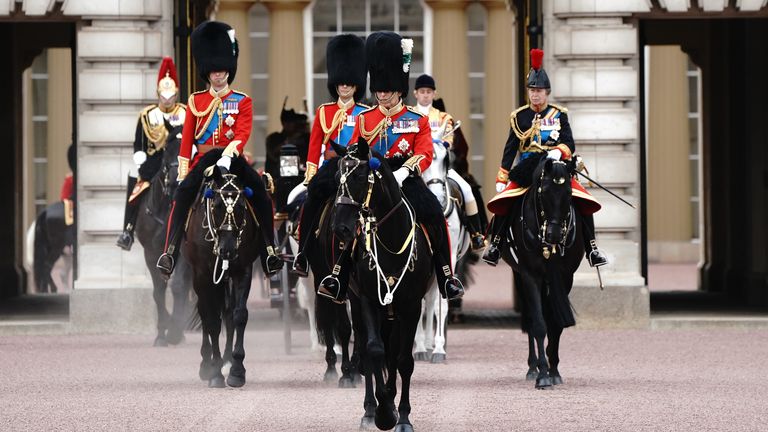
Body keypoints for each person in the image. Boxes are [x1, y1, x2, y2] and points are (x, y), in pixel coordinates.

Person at [303, 31, 465, 302]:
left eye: (386, 91)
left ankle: (446, 275)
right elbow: (356, 149)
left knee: (434, 214)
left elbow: (425, 152)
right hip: (371, 176)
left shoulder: (416, 119)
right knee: (348, 216)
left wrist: (405, 170)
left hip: (404, 176)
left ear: (399, 90)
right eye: (378, 90)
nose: (381, 95)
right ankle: (339, 275)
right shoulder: (366, 117)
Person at [155, 21, 282, 277]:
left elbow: (243, 132)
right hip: (203, 159)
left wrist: (227, 155)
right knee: (182, 197)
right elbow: (188, 139)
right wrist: (183, 170)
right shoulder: (195, 101)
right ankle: (169, 252)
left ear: (229, 70)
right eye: (213, 71)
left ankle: (270, 250)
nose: (218, 74)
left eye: (222, 70)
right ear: (207, 72)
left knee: (260, 194)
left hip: (232, 158)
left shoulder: (242, 100)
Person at [482, 49, 607, 267]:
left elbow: (569, 142)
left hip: (556, 165)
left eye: (539, 90)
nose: (535, 95)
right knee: (505, 201)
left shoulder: (559, 114)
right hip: (528, 168)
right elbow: (510, 149)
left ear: (547, 92)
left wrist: (559, 151)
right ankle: (497, 244)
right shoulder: (519, 116)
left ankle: (592, 248)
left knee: (583, 199)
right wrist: (502, 178)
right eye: (532, 90)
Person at [291, 34, 369, 277]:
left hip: (356, 168)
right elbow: (314, 148)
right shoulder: (324, 112)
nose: (344, 87)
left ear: (356, 85)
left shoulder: (366, 113)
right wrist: (311, 176)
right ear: (335, 84)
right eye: (341, 83)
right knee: (310, 202)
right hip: (330, 167)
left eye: (349, 83)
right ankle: (303, 253)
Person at [116, 57, 186, 251]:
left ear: (176, 94)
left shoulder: (185, 113)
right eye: (164, 95)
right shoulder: (147, 115)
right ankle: (128, 229)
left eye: (171, 95)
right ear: (158, 94)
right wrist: (140, 162)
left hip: (177, 160)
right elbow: (138, 142)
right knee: (136, 186)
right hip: (153, 161)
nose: (167, 99)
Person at [412, 74, 485, 250]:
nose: (425, 95)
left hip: (439, 167)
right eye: (422, 91)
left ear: (434, 93)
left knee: (467, 190)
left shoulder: (444, 117)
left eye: (429, 92)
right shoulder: (408, 115)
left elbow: (450, 140)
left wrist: (441, 143)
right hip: (416, 167)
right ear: (415, 93)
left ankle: (476, 235)